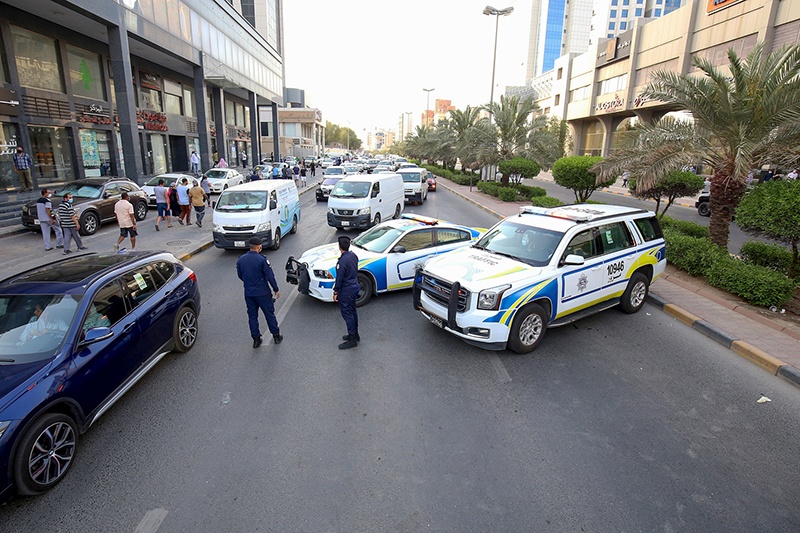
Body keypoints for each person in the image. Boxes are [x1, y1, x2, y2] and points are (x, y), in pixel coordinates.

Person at [236, 237, 282, 347]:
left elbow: (240, 275)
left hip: (249, 293)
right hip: (263, 293)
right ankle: (276, 336)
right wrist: (276, 289)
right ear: (258, 246)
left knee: (252, 317)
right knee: (269, 314)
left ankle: (256, 340)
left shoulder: (241, 259)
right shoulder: (262, 260)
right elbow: (270, 276)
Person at [333, 235, 359, 349]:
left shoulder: (342, 261)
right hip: (354, 287)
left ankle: (352, 340)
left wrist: (336, 292)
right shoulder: (353, 255)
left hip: (346, 290)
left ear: (340, 247)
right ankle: (355, 334)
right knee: (352, 311)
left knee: (347, 314)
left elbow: (339, 278)